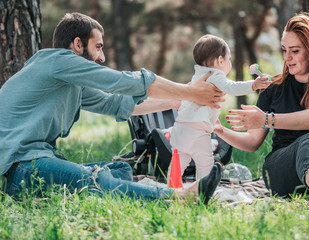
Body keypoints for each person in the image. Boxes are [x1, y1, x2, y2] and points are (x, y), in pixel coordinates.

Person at [0, 12, 223, 203]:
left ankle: (87, 189)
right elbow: (127, 82)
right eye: (98, 47)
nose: (102, 57)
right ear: (77, 45)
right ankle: (178, 199)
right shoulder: (57, 62)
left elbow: (115, 104)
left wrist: (177, 101)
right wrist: (192, 92)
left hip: (35, 162)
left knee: (121, 170)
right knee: (96, 178)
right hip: (18, 167)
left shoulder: (69, 81)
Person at [214, 13, 309, 201]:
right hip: (282, 167)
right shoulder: (272, 88)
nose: (287, 58)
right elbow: (252, 142)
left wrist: (267, 119)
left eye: (295, 51)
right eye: (284, 50)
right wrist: (219, 130)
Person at [169, 34, 271, 180]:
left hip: (181, 127)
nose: (230, 62)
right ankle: (203, 190)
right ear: (220, 60)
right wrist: (253, 85)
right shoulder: (215, 74)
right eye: (229, 59)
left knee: (179, 162)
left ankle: (171, 189)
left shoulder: (198, 74)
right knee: (205, 164)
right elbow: (231, 87)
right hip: (198, 130)